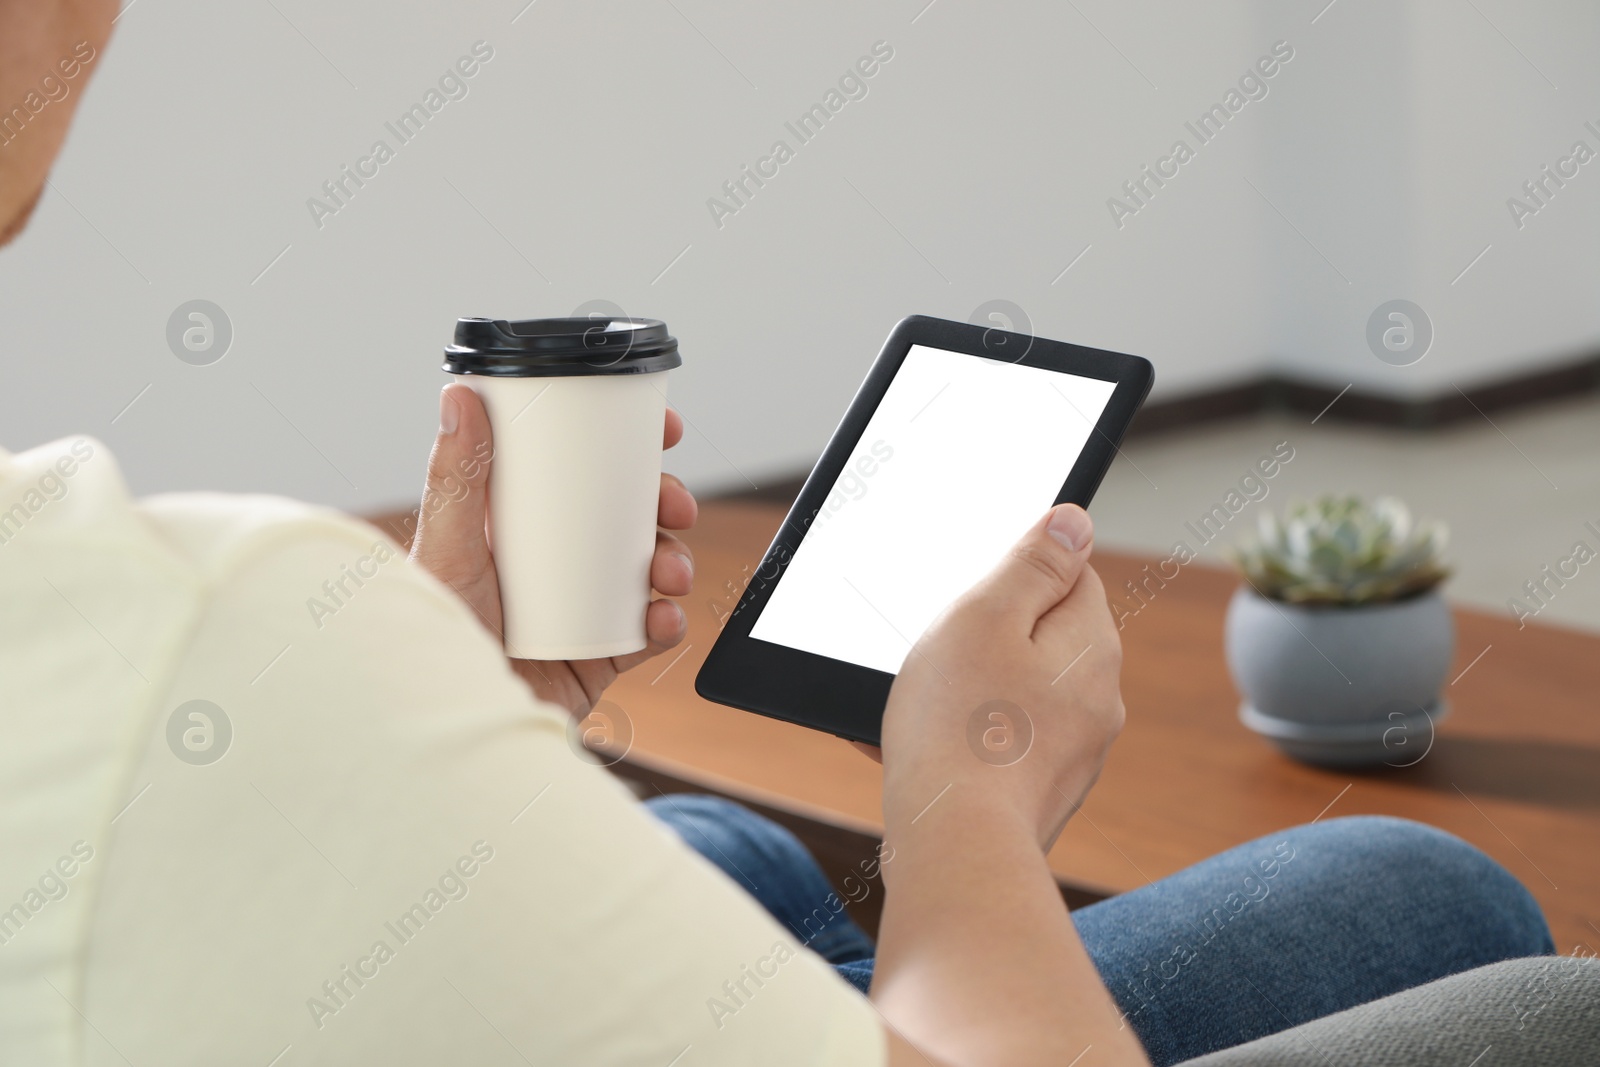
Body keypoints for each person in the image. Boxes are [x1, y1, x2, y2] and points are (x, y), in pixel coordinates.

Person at [0, 4, 1560, 1065]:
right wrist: (971, 808)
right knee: (1427, 891)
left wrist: (448, 719)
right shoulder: (187, 627)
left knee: (731, 842)